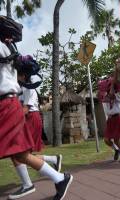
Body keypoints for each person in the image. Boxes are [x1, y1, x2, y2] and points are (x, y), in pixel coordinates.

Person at [0, 39, 72, 200]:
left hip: (26, 114)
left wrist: (19, 117)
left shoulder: (26, 86)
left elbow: (27, 107)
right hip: (13, 110)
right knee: (19, 152)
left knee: (21, 151)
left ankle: (36, 181)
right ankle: (55, 174)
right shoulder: (18, 82)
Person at [9, 70, 63, 199]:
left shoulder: (28, 88)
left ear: (23, 75)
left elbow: (26, 109)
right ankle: (54, 160)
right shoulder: (21, 88)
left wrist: (9, 122)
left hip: (31, 119)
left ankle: (28, 184)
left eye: (16, 74)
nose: (14, 76)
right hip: (27, 119)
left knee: (20, 153)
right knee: (21, 154)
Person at [103, 82, 120, 163]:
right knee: (106, 139)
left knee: (116, 140)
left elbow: (112, 95)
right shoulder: (105, 97)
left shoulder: (116, 95)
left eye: (110, 87)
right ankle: (117, 150)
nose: (109, 89)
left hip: (117, 118)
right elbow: (101, 97)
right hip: (110, 120)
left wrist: (113, 83)